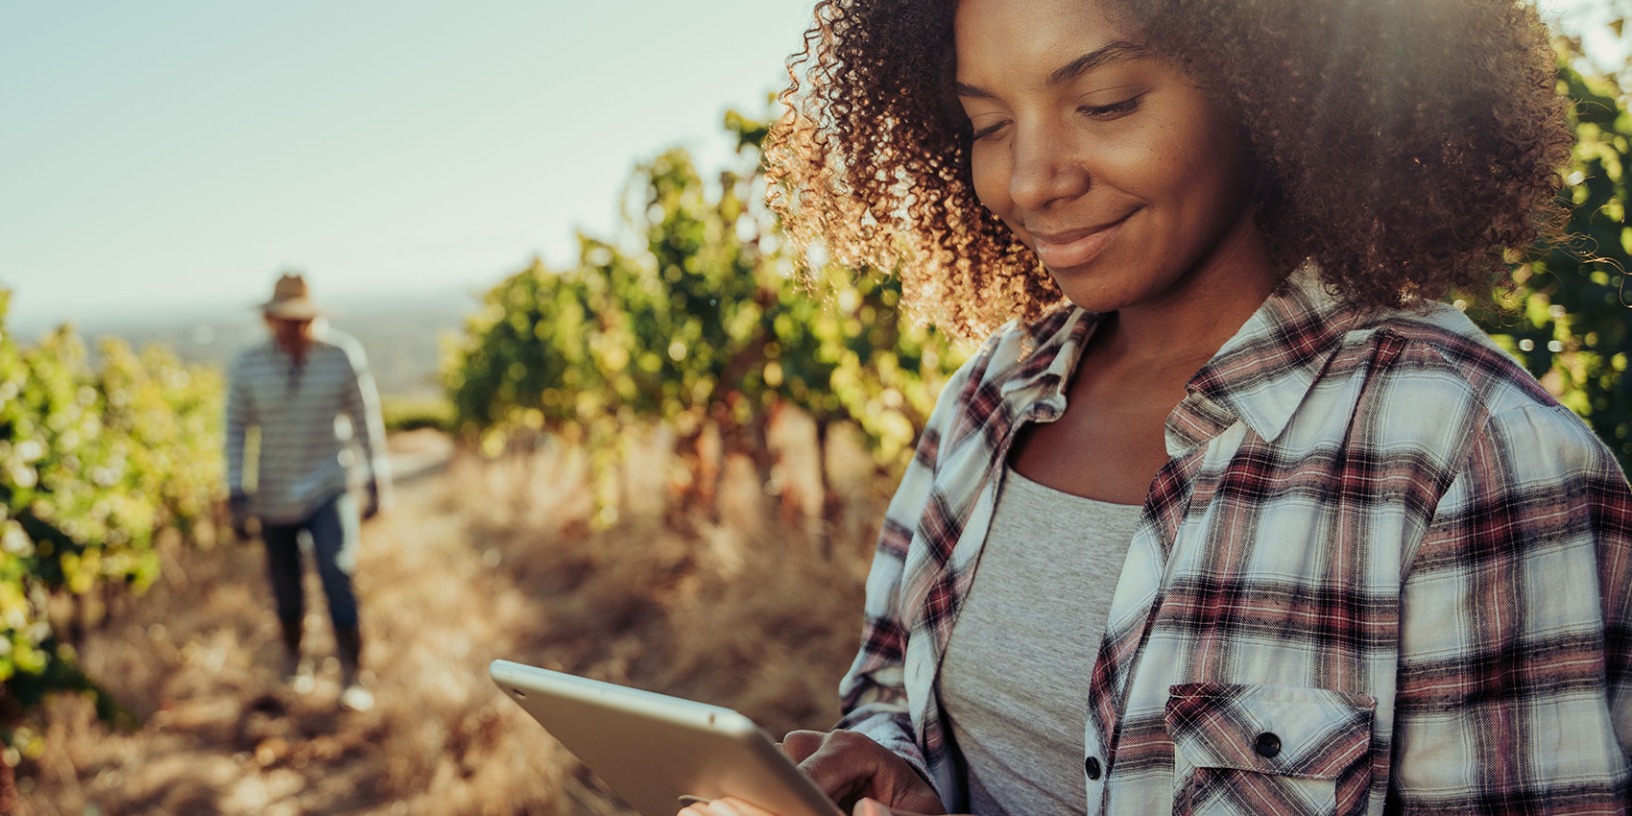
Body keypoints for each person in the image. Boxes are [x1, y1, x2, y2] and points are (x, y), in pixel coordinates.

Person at [683, 0, 1632, 813]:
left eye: (1104, 104)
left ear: (1273, 84)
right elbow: (891, 687)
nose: (1030, 182)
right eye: (988, 123)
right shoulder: (991, 397)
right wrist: (890, 766)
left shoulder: (1473, 455)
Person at [226, 272, 391, 712]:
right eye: (285, 320)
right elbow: (236, 431)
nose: (293, 329)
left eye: (301, 320)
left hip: (328, 483)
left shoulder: (340, 356)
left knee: (337, 568)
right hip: (274, 491)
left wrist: (377, 477)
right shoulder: (248, 366)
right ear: (270, 320)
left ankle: (352, 673)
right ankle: (294, 662)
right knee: (286, 585)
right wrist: (237, 492)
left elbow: (364, 418)